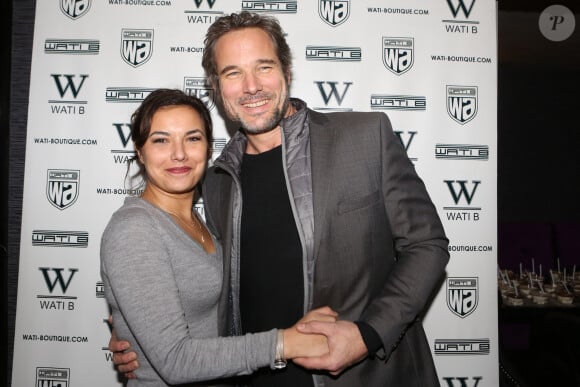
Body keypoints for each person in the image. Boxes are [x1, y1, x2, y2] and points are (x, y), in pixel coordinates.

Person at [111, 11, 450, 387]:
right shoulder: (218, 180)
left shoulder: (365, 138)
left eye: (264, 67)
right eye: (233, 73)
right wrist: (136, 335)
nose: (251, 86)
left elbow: (427, 245)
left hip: (367, 376)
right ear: (216, 87)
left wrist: (367, 334)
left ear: (286, 71)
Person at [101, 88, 336, 386]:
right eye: (161, 140)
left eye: (193, 138)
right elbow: (176, 361)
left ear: (209, 148)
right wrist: (287, 343)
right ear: (139, 151)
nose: (179, 153)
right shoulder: (135, 229)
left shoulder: (204, 218)